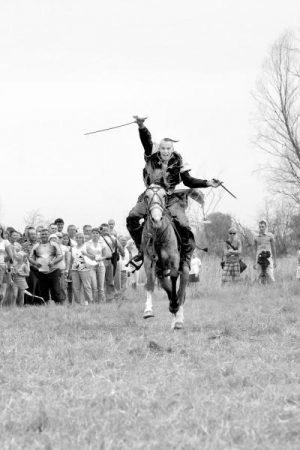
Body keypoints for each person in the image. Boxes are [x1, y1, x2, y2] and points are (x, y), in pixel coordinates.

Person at [126, 116, 221, 270]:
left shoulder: (179, 161)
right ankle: (141, 249)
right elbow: (146, 141)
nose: (165, 151)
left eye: (168, 149)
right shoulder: (152, 155)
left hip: (169, 198)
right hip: (150, 196)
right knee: (131, 218)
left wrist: (208, 183)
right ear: (160, 148)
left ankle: (184, 255)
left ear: (172, 149)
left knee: (184, 224)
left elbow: (188, 180)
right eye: (163, 148)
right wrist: (141, 125)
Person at [29, 229, 63, 304]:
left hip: (53, 271)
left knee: (56, 290)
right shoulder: (36, 246)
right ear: (40, 235)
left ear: (48, 235)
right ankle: (45, 307)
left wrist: (53, 262)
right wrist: (35, 263)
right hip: (41, 272)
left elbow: (60, 257)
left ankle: (59, 307)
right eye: (42, 234)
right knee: (43, 291)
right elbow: (30, 258)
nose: (44, 236)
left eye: (45, 234)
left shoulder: (54, 244)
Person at [68, 233, 93, 305]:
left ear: (83, 239)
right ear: (75, 238)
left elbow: (94, 256)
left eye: (80, 238)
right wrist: (70, 270)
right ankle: (77, 303)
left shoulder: (86, 246)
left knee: (87, 286)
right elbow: (71, 260)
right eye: (77, 237)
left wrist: (86, 254)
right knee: (76, 287)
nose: (78, 239)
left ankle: (89, 302)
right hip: (74, 269)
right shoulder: (73, 248)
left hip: (84, 268)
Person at [85, 228, 106, 302]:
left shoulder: (102, 244)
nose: (95, 234)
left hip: (101, 265)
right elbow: (86, 254)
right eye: (93, 233)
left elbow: (105, 255)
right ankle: (94, 301)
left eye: (97, 233)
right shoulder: (87, 244)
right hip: (91, 266)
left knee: (101, 286)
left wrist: (101, 258)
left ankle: (100, 302)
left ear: (99, 234)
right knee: (94, 286)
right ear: (91, 234)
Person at [50, 233, 71, 304]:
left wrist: (67, 270)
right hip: (52, 270)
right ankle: (56, 302)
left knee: (63, 287)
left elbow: (68, 260)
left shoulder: (65, 248)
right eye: (56, 237)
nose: (58, 238)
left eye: (60, 237)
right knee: (54, 287)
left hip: (62, 269)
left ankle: (64, 302)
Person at [0, 225, 13, 303]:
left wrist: (2, 261)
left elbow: (10, 255)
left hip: (1, 266)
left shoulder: (5, 241)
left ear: (1, 230)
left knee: (1, 286)